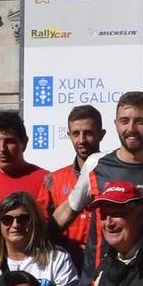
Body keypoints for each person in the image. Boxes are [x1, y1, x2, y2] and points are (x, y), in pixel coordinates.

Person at [51, 92, 143, 274]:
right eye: (124, 121)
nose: (131, 129)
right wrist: (36, 249)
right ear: (116, 125)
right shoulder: (96, 164)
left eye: (140, 121)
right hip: (96, 282)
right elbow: (66, 212)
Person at [0, 192, 79, 286]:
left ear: (35, 221)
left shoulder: (57, 258)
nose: (15, 225)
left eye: (23, 219)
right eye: (7, 220)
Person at [42, 105, 108, 256]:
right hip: (66, 265)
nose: (82, 140)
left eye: (88, 133)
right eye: (76, 133)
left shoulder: (113, 174)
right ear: (69, 135)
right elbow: (42, 227)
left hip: (105, 262)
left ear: (101, 134)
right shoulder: (54, 180)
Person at [0, 112, 50, 243]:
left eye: (9, 141)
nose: (2, 149)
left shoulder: (45, 179)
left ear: (24, 143)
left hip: (32, 261)